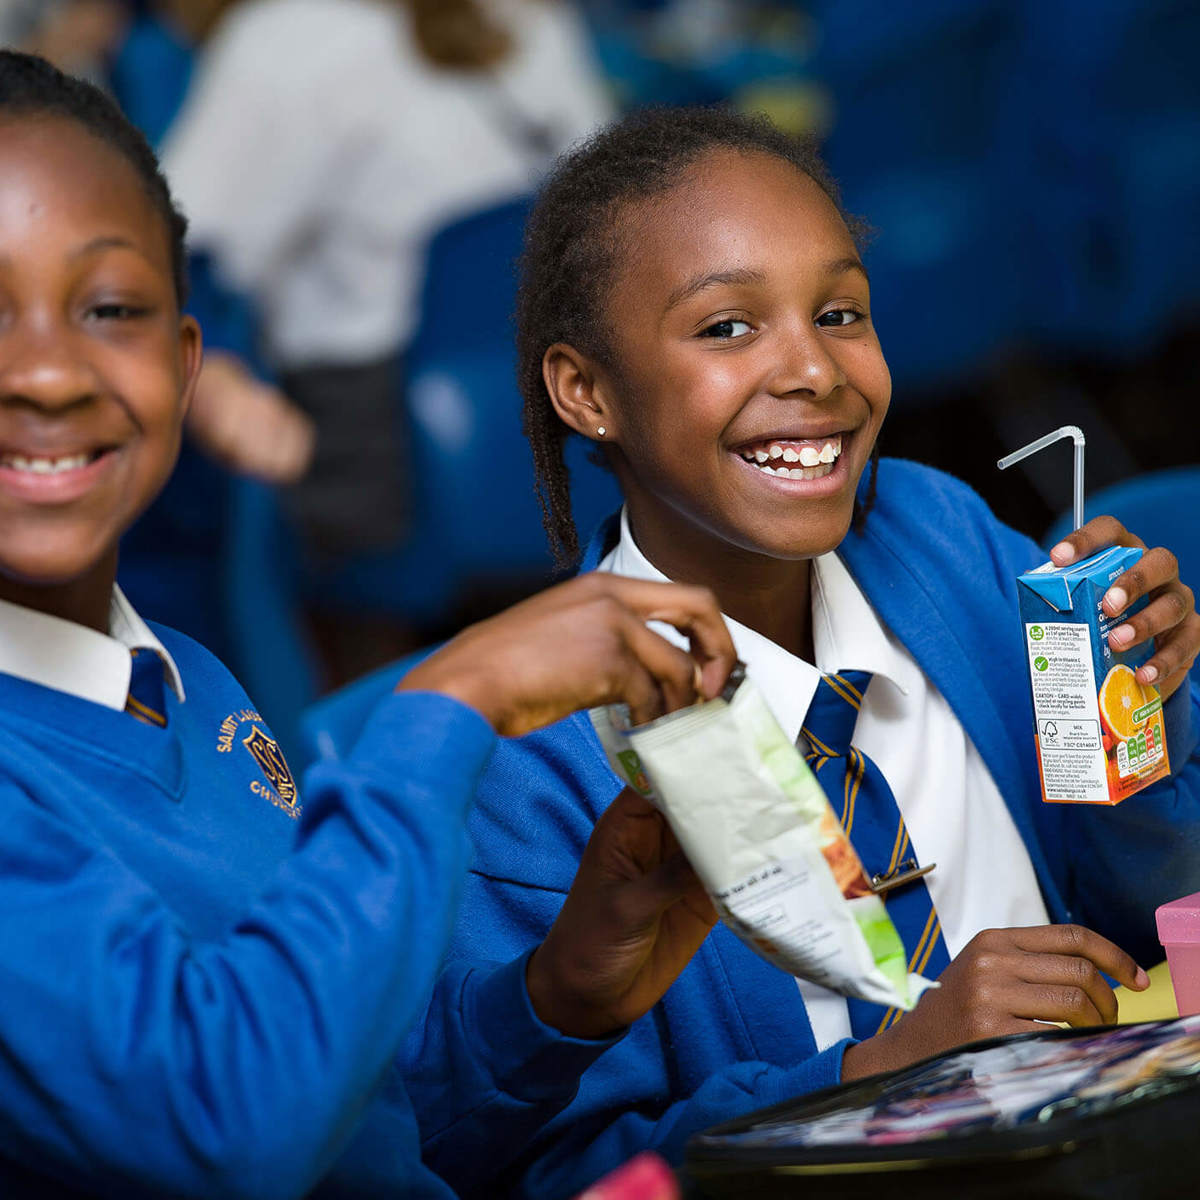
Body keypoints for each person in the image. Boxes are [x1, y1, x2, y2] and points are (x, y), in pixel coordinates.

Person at [399, 106, 1200, 1198]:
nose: (814, 369)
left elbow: (1148, 909)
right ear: (587, 392)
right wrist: (881, 1074)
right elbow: (560, 1171)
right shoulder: (537, 756)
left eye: (839, 312)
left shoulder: (942, 536)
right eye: (727, 328)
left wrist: (1139, 719)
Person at [0, 52, 738, 1198]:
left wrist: (554, 1000)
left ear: (186, 364)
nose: (46, 372)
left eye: (108, 308)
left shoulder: (185, 679)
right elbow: (226, 1124)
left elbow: (350, 1097)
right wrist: (450, 704)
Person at [158, 0, 614, 559]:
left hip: (388, 453)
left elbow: (169, 239)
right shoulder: (534, 20)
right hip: (566, 422)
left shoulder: (286, 41)